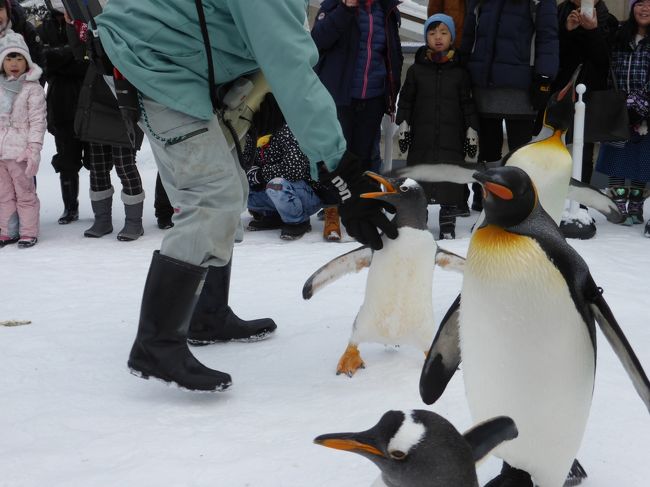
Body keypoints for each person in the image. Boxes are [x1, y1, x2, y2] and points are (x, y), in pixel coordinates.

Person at [96, 0, 398, 392]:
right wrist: (341, 170)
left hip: (171, 58)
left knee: (229, 187)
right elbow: (289, 63)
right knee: (212, 195)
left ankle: (207, 315)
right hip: (155, 63)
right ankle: (156, 344)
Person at [311, 0, 404, 241]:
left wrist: (391, 93)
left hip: (373, 97)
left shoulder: (387, 9)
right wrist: (346, 8)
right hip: (339, 95)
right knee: (334, 158)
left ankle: (366, 209)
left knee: (365, 157)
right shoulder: (334, 5)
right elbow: (317, 41)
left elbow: (393, 55)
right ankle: (332, 210)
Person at [461, 0, 559, 211]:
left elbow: (548, 37)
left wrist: (544, 77)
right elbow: (470, 32)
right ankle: (487, 193)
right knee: (488, 148)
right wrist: (462, 65)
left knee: (519, 150)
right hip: (484, 82)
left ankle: (517, 197)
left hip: (522, 85)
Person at [396, 13, 479, 240]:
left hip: (452, 137)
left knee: (449, 179)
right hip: (421, 137)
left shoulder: (460, 73)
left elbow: (467, 103)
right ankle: (418, 220)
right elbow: (406, 100)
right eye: (432, 33)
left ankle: (447, 223)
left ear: (452, 37)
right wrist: (403, 125)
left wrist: (472, 130)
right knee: (419, 178)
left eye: (443, 32)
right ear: (426, 38)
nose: (438, 38)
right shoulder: (416, 70)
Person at [66, 14, 146, 241]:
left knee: (125, 166)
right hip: (96, 104)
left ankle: (134, 223)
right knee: (98, 167)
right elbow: (79, 54)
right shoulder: (91, 24)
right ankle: (102, 220)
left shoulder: (128, 20)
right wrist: (72, 25)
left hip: (123, 103)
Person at [554, 0, 619, 235]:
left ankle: (580, 204)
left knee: (583, 149)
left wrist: (592, 31)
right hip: (559, 91)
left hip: (591, 94)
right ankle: (555, 200)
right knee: (556, 148)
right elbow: (556, 56)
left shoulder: (608, 21)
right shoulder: (558, 14)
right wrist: (567, 31)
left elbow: (604, 62)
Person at [595, 0, 650, 234]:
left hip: (647, 108)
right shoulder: (618, 35)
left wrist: (642, 99)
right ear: (632, 7)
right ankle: (618, 204)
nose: (645, 8)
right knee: (618, 153)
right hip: (617, 106)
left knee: (641, 157)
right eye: (640, 3)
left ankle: (636, 205)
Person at [245, 93, 327, 241]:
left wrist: (261, 175)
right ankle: (274, 215)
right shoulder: (252, 132)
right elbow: (244, 163)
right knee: (237, 185)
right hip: (271, 190)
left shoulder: (287, 128)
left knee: (276, 184)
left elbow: (294, 169)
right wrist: (250, 175)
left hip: (305, 193)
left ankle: (297, 220)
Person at [38, 0, 88, 225]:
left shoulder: (85, 20)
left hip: (88, 98)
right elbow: (44, 60)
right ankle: (70, 206)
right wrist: (72, 53)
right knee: (66, 159)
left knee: (99, 160)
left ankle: (102, 208)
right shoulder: (41, 28)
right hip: (60, 102)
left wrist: (61, 57)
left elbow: (86, 60)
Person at [0, 31, 46, 248]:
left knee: (25, 193)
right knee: (4, 194)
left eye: (19, 58)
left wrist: (34, 149)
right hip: (0, 153)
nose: (14, 63)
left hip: (20, 152)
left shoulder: (32, 89)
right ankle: (8, 231)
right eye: (9, 58)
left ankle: (28, 231)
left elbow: (38, 121)